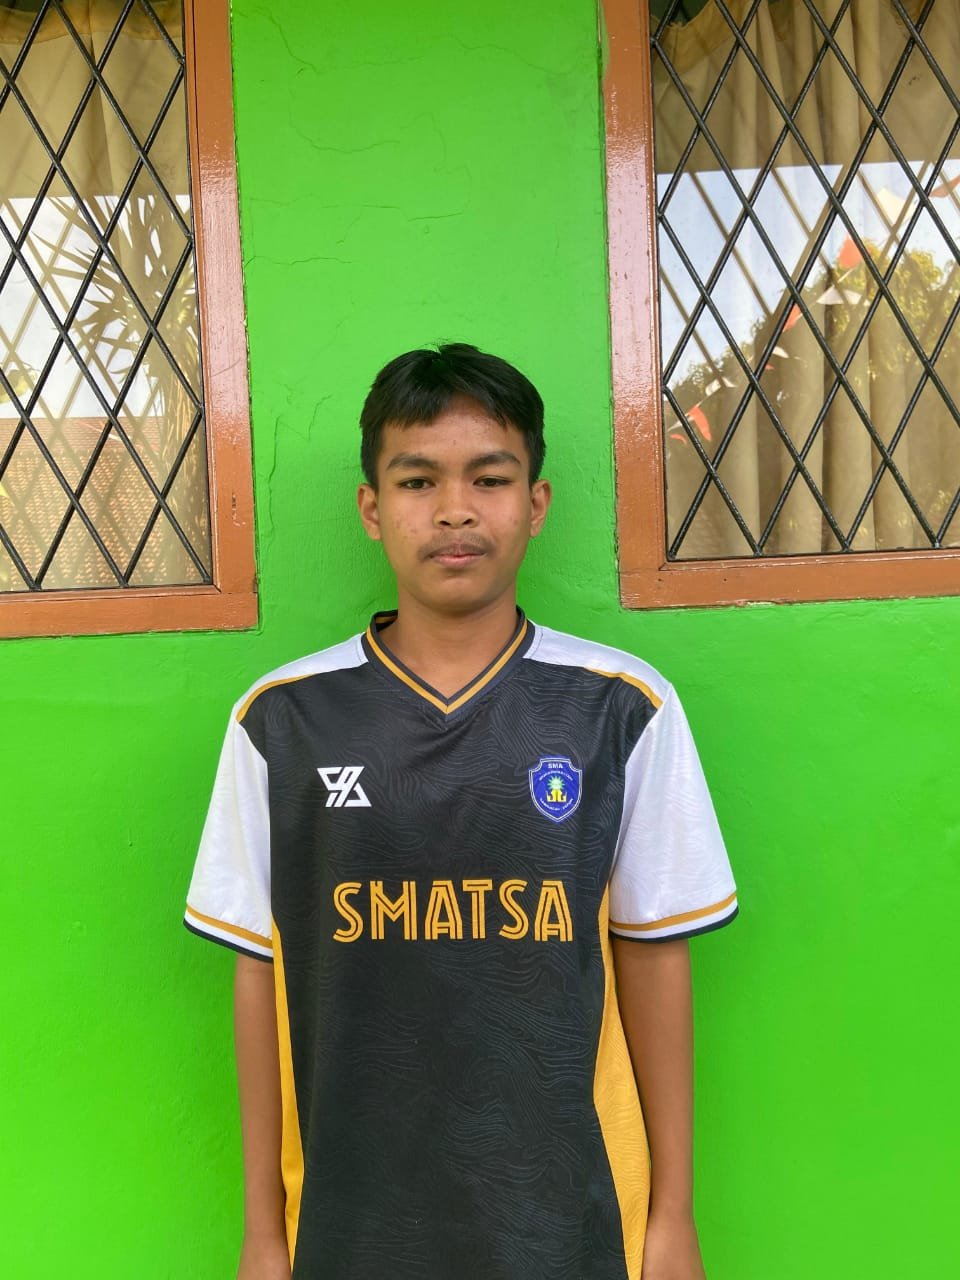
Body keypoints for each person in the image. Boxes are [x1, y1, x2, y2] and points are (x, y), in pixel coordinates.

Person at [184, 343, 738, 1280]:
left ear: (536, 503)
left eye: (490, 477)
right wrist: (264, 1234)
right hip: (350, 1220)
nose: (454, 510)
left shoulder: (620, 706)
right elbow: (259, 978)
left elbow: (653, 955)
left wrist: (673, 1217)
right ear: (372, 508)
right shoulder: (282, 719)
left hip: (568, 1220)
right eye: (417, 481)